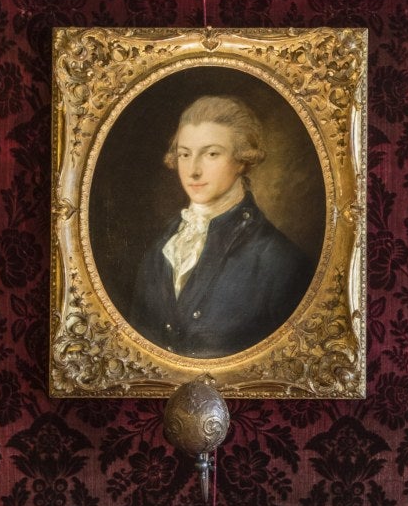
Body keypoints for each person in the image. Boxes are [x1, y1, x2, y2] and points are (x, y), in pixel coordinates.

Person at [122, 97, 313, 359]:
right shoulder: (161, 249)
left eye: (211, 154)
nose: (193, 171)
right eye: (185, 154)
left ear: (242, 160)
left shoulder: (280, 261)